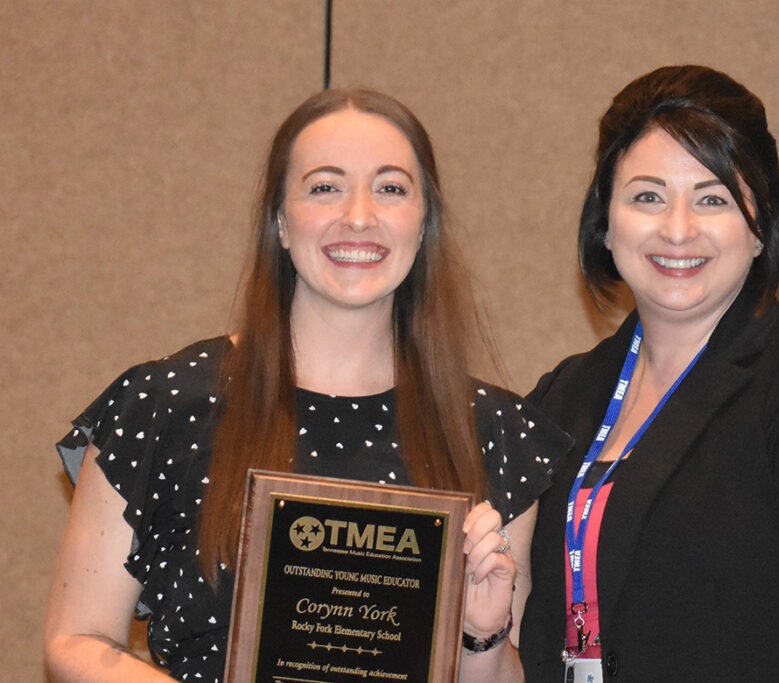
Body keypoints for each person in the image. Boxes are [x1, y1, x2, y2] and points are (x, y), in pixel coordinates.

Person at [44, 88, 568, 683]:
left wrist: (482, 635)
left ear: (424, 226)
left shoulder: (493, 431)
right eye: (325, 187)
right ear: (280, 223)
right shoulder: (165, 403)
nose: (360, 216)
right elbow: (75, 640)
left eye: (391, 188)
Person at [518, 65, 779, 681]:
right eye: (648, 196)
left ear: (761, 230)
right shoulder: (559, 399)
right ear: (605, 221)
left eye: (713, 198)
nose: (678, 229)